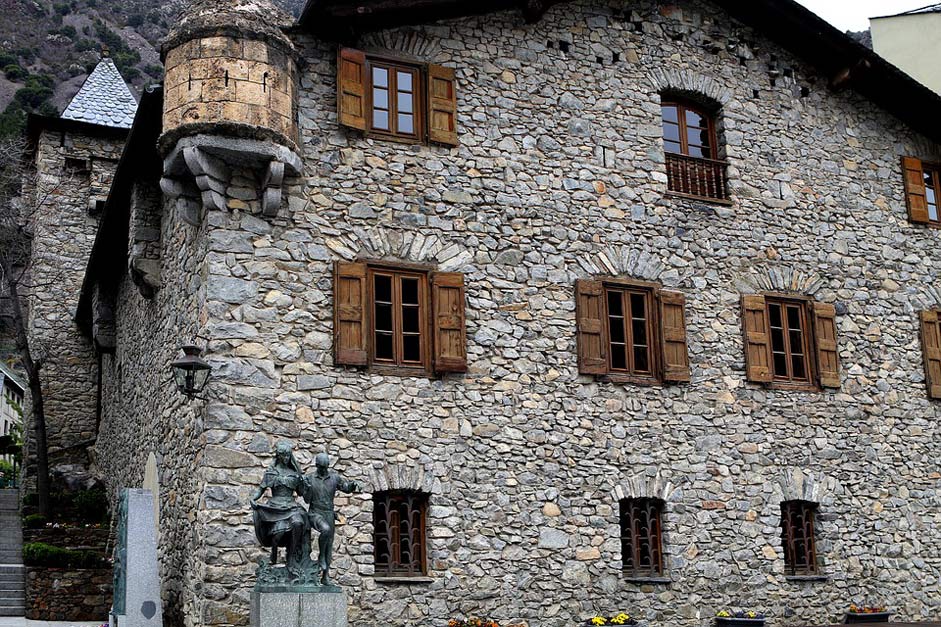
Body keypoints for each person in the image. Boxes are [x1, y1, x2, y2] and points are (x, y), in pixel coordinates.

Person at [250, 442, 311, 576]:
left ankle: (292, 557)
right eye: (285, 455)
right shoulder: (271, 473)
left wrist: (304, 484)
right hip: (275, 507)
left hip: (291, 506)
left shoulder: (294, 473)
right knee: (278, 534)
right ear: (279, 456)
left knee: (298, 523)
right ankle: (273, 553)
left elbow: (302, 493)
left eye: (289, 455)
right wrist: (253, 499)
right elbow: (261, 489)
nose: (287, 458)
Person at [303, 452, 362, 585]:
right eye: (321, 467)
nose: (324, 470)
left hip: (328, 513)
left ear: (328, 466)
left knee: (329, 545)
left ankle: (325, 576)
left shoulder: (334, 478)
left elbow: (346, 488)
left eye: (326, 467)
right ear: (317, 465)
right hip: (314, 512)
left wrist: (353, 484)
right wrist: (306, 488)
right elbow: (306, 500)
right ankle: (321, 557)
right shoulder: (310, 478)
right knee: (325, 529)